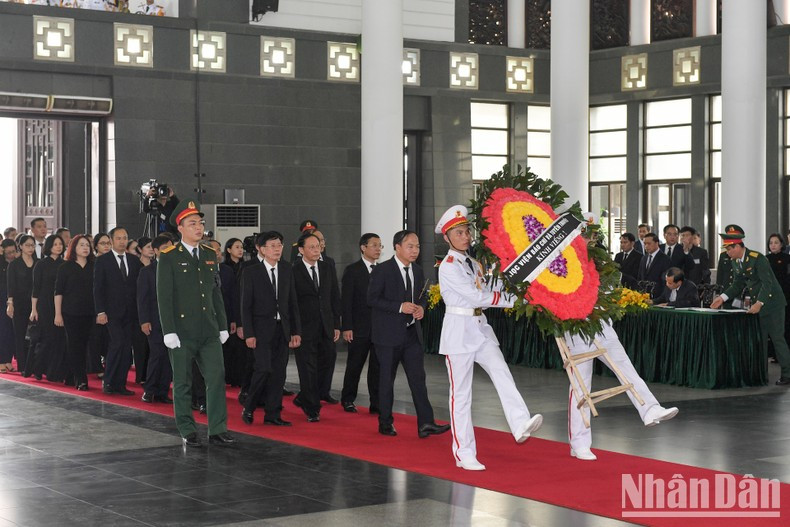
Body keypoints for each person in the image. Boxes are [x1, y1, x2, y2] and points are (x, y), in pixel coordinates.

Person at [435, 206, 543, 471]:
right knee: (461, 396)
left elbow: (489, 287)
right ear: (447, 238)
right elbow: (476, 296)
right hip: (459, 331)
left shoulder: (472, 263)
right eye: (459, 233)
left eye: (466, 231)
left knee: (501, 371)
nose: (465, 236)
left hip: (480, 327)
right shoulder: (448, 267)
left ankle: (519, 423)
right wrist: (514, 300)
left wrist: (514, 282)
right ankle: (464, 453)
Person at [157, 200, 234, 446]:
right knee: (182, 381)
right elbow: (164, 297)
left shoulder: (210, 254)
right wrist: (169, 330)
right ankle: (187, 429)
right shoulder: (169, 257)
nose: (199, 227)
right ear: (180, 228)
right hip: (182, 331)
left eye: (200, 223)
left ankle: (217, 428)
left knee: (216, 377)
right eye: (192, 224)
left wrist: (222, 324)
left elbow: (215, 293)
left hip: (208, 330)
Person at [368, 230, 450, 439]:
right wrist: (399, 307)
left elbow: (421, 297)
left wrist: (421, 307)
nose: (415, 251)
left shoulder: (418, 271)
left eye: (417, 247)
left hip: (411, 334)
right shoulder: (382, 270)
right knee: (387, 379)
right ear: (397, 247)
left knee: (418, 379)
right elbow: (372, 299)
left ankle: (426, 422)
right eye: (410, 246)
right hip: (387, 336)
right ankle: (385, 422)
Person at [565, 321, 679, 461]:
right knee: (580, 386)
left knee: (626, 368)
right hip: (576, 329)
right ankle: (579, 442)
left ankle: (650, 409)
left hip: (603, 325)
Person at [711, 225, 790, 386]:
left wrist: (759, 303)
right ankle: (760, 375)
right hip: (758, 306)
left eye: (729, 249)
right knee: (759, 340)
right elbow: (738, 284)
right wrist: (723, 297)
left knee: (777, 339)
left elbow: (767, 283)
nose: (727, 253)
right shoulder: (736, 261)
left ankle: (787, 374)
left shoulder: (757, 258)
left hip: (772, 304)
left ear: (738, 246)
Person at [240, 231, 301, 426]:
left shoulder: (286, 269)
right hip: (260, 330)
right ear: (262, 249)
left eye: (279, 245)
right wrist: (248, 333)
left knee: (279, 373)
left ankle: (272, 414)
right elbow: (245, 305)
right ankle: (249, 407)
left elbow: (293, 302)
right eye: (272, 246)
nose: (277, 249)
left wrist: (295, 331)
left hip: (281, 329)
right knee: (263, 369)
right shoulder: (251, 271)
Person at [291, 233, 341, 422]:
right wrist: (294, 330)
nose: (316, 250)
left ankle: (305, 396)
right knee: (307, 367)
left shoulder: (327, 267)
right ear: (301, 250)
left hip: (326, 326)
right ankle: (312, 407)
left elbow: (334, 296)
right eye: (311, 247)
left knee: (327, 361)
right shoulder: (293, 270)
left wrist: (337, 324)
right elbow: (292, 302)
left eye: (318, 246)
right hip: (304, 328)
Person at [93, 226, 143, 395]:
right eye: (119, 238)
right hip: (111, 312)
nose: (122, 241)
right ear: (112, 240)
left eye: (125, 238)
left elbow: (138, 288)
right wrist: (100, 311)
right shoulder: (103, 261)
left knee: (126, 348)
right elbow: (98, 288)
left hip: (131, 313)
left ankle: (120, 384)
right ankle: (108, 381)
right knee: (116, 344)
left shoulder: (134, 261)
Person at [340, 233, 382, 414]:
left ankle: (377, 403)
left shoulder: (383, 270)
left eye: (380, 245)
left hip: (379, 328)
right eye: (374, 245)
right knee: (355, 365)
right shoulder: (353, 270)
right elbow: (346, 301)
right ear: (363, 247)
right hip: (358, 328)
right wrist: (347, 327)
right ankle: (348, 399)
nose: (378, 249)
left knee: (377, 368)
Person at [54, 235, 95, 391]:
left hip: (89, 312)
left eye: (87, 245)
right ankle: (81, 379)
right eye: (81, 245)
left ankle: (71, 376)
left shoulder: (94, 265)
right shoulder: (65, 267)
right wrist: (58, 314)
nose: (85, 248)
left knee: (84, 346)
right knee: (74, 345)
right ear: (73, 248)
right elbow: (59, 292)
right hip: (70, 312)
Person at [138, 235, 174, 404]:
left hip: (173, 321)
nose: (170, 250)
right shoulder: (147, 272)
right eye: (166, 247)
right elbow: (142, 299)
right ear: (157, 251)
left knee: (169, 356)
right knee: (156, 355)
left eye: (172, 247)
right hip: (154, 319)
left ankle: (162, 391)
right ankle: (149, 389)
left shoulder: (177, 269)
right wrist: (144, 320)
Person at [28, 234, 67, 382]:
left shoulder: (65, 264)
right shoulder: (41, 264)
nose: (58, 246)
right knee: (47, 339)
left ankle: (54, 372)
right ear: (49, 246)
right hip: (44, 305)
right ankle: (38, 368)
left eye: (60, 244)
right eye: (55, 244)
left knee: (59, 340)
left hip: (62, 304)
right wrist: (34, 309)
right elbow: (35, 288)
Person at [6, 235, 35, 373]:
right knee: (20, 334)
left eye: (32, 245)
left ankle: (34, 364)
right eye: (28, 245)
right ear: (21, 246)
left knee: (35, 335)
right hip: (19, 303)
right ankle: (23, 365)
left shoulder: (38, 262)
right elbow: (11, 286)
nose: (30, 248)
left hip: (36, 303)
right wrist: (10, 303)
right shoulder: (14, 264)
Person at [87, 233, 112, 378]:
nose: (106, 246)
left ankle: (109, 364)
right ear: (96, 246)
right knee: (96, 338)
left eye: (108, 242)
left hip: (112, 306)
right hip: (95, 306)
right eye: (103, 243)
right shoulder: (93, 263)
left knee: (109, 339)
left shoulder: (114, 261)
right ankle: (96, 367)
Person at [766, 233, 790, 361]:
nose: (773, 245)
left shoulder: (787, 258)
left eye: (776, 242)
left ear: (781, 244)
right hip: (770, 297)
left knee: (785, 326)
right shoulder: (765, 259)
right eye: (771, 243)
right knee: (773, 327)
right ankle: (774, 354)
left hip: (786, 296)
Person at [0, 239, 17, 373]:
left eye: (13, 251)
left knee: (12, 332)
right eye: (8, 252)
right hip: (2, 300)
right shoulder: (1, 264)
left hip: (15, 300)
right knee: (3, 331)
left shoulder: (17, 263)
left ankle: (8, 360)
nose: (11, 255)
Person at [637, 233, 671, 299]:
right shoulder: (644, 258)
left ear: (656, 243)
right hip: (643, 296)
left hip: (658, 296)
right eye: (645, 244)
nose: (646, 246)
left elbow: (665, 281)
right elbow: (639, 277)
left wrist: (662, 297)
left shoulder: (665, 259)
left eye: (649, 244)